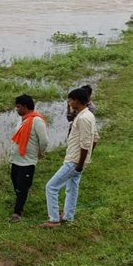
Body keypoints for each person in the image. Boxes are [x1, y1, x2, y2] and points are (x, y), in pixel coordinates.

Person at [42, 88, 99, 227]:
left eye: (70, 100)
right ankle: (68, 216)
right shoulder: (86, 115)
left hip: (74, 161)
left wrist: (80, 163)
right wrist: (85, 159)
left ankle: (54, 219)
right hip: (77, 159)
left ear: (77, 101)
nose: (69, 102)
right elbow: (95, 138)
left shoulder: (84, 118)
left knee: (51, 187)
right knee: (72, 187)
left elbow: (86, 143)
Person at [9, 94, 49, 223]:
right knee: (16, 183)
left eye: (18, 106)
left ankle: (17, 212)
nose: (17, 109)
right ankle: (19, 201)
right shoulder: (23, 120)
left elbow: (44, 141)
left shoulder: (37, 121)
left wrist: (40, 153)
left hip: (27, 161)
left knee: (22, 186)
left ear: (26, 107)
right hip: (16, 159)